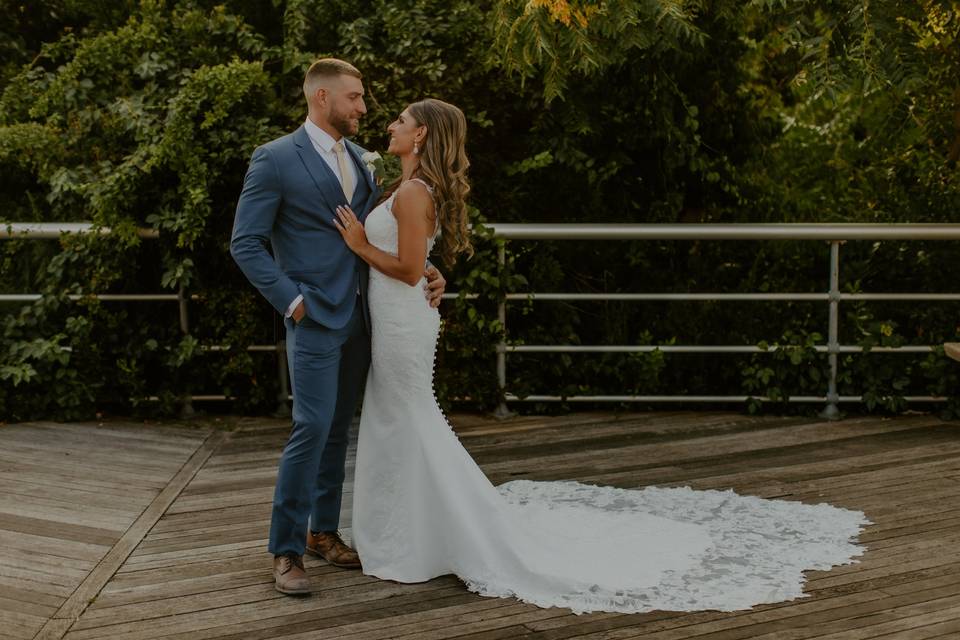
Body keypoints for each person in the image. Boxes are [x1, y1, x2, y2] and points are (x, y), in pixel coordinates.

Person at [334, 97, 870, 614]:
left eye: (401, 121)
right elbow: (418, 261)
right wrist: (428, 267)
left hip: (403, 324)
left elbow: (406, 268)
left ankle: (423, 537)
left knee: (406, 419)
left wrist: (360, 245)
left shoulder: (411, 194)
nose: (391, 126)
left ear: (422, 133)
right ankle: (408, 532)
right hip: (398, 320)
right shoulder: (402, 187)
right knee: (397, 419)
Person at [230, 59, 446, 596]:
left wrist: (429, 268)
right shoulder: (275, 158)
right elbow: (245, 243)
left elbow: (386, 234)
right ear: (322, 97)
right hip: (314, 316)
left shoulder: (361, 161)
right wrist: (292, 301)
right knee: (310, 427)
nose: (364, 109)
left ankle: (322, 531)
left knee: (336, 431)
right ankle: (284, 550)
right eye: (355, 98)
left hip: (367, 318)